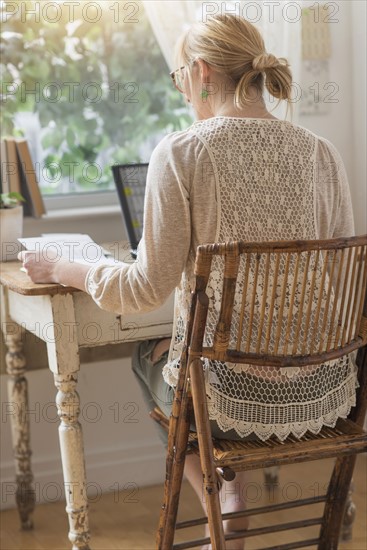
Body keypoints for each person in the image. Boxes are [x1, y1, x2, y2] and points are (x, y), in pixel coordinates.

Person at [19, 14, 356, 550]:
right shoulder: (323, 153)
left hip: (226, 404)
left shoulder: (182, 152)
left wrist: (68, 269)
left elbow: (144, 290)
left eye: (179, 77)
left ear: (200, 72)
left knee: (144, 356)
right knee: (170, 348)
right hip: (324, 394)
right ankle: (236, 496)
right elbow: (340, 284)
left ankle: (225, 496)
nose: (181, 91)